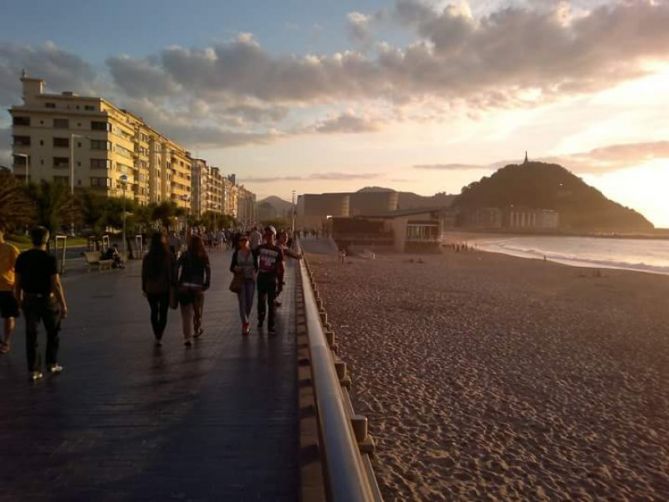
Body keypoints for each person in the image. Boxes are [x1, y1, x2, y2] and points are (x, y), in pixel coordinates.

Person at [14, 226, 68, 382]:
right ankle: (51, 362)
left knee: (31, 335)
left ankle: (34, 370)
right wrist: (63, 304)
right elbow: (55, 284)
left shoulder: (22, 258)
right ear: (47, 239)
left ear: (31, 239)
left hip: (29, 300)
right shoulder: (49, 258)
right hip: (47, 300)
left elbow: (17, 283)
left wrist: (18, 300)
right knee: (53, 332)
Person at [176, 235, 211, 347]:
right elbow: (208, 269)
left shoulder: (185, 254)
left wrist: (177, 281)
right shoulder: (203, 255)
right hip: (197, 286)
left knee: (186, 314)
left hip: (185, 286)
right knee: (198, 310)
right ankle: (197, 329)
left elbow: (176, 267)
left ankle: (187, 338)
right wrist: (207, 282)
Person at [142, 232, 175, 346]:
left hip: (151, 289)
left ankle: (156, 333)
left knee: (154, 311)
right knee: (163, 313)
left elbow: (144, 274)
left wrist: (144, 288)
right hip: (164, 289)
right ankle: (159, 334)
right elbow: (173, 272)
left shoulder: (147, 257)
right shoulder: (168, 255)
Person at [256, 226, 284, 335]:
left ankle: (271, 326)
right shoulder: (260, 248)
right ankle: (260, 319)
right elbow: (252, 256)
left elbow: (281, 268)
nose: (268, 237)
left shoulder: (278, 250)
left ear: (274, 236)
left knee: (271, 303)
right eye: (266, 235)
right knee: (261, 301)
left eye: (270, 235)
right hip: (261, 277)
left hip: (272, 279)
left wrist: (280, 283)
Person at [230, 234, 258, 335]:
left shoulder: (253, 253)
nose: (244, 242)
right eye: (242, 240)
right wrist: (236, 268)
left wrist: (255, 271)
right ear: (239, 243)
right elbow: (231, 267)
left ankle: (246, 317)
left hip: (251, 280)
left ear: (248, 241)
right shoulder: (236, 254)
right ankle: (245, 323)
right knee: (242, 302)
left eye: (245, 240)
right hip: (240, 280)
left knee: (249, 302)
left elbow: (256, 266)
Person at [0, 225, 20, 354]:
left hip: (7, 288)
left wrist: (18, 289)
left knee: (8, 316)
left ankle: (6, 341)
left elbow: (19, 271)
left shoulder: (11, 249)